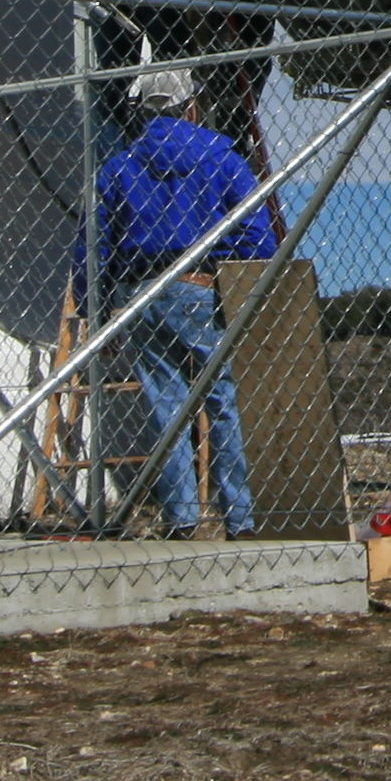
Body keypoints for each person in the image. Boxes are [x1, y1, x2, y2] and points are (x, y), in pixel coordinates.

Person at [90, 63, 274, 537]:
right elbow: (256, 234)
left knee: (165, 405)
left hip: (140, 293)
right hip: (201, 286)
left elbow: (95, 247)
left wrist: (100, 309)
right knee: (225, 400)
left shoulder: (118, 166)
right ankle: (241, 519)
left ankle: (181, 518)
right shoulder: (221, 157)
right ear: (192, 105)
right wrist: (241, 278)